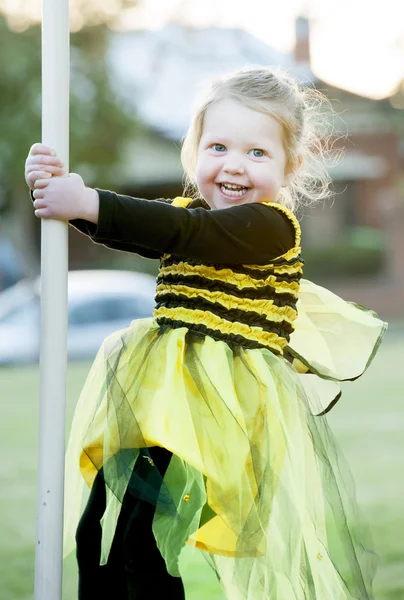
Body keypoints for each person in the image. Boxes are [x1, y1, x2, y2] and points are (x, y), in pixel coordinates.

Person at [25, 66, 386, 600]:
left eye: (257, 153)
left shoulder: (268, 225)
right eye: (217, 146)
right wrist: (62, 197)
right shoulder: (189, 214)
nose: (233, 165)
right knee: (122, 537)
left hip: (221, 417)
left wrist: (89, 202)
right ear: (194, 150)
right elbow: (148, 230)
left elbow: (184, 233)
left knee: (144, 542)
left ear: (292, 165)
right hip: (163, 405)